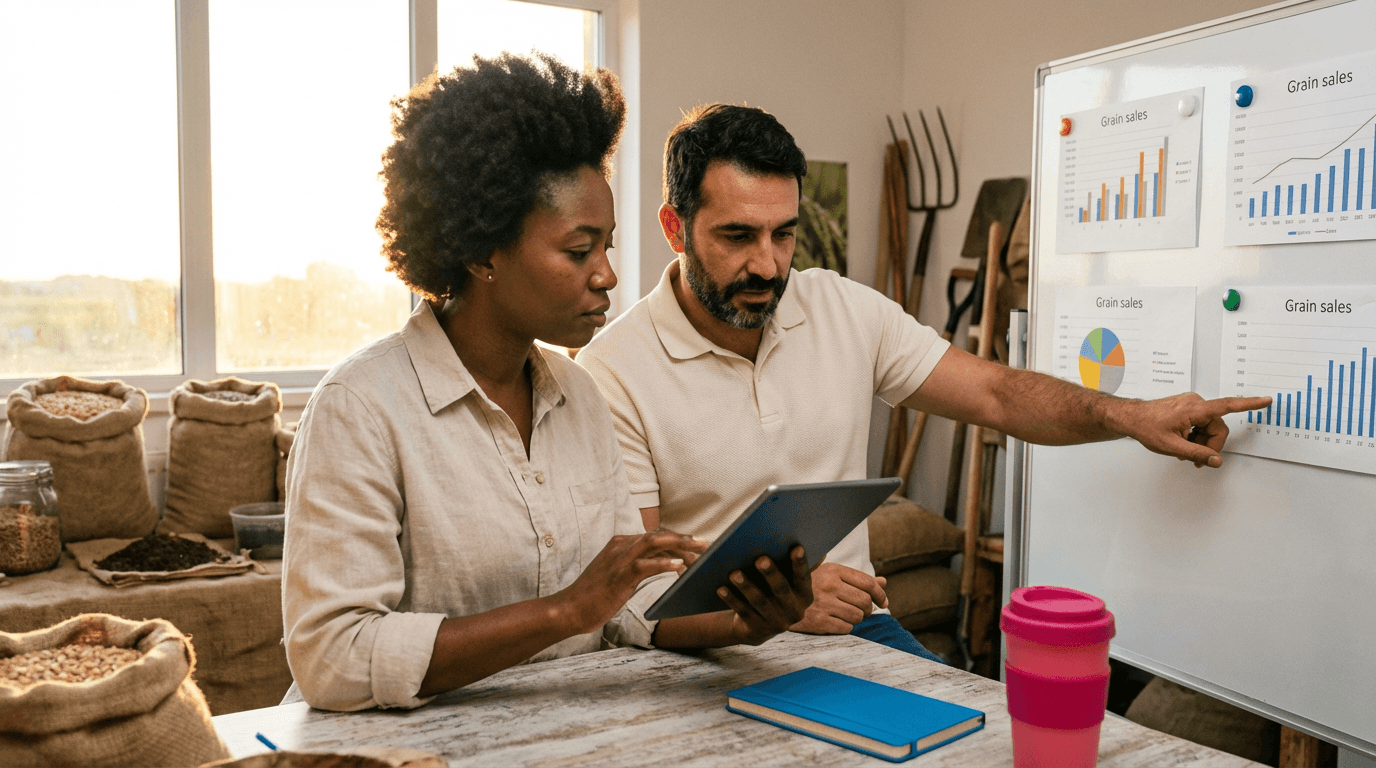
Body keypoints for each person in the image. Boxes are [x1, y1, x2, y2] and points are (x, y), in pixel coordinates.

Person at [575, 103, 1271, 662]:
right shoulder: (614, 370)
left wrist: (1126, 416)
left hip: (857, 634)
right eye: (737, 237)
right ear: (675, 227)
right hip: (708, 657)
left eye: (783, 235)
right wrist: (774, 607)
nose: (768, 265)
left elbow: (996, 393)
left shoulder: (843, 309)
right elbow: (635, 596)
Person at [281, 60, 813, 713]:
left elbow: (625, 606)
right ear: (482, 254)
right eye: (579, 249)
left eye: (608, 246)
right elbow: (333, 660)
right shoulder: (361, 407)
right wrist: (563, 611)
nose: (609, 276)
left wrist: (745, 621)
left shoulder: (580, 396)